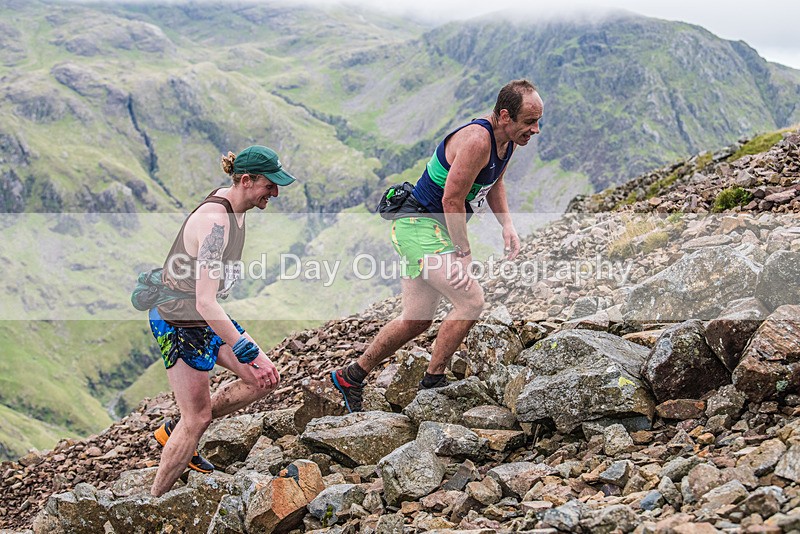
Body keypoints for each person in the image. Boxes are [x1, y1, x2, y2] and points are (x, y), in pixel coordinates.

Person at [331, 79, 543, 412]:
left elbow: (495, 181)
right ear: (505, 116)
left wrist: (507, 225)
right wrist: (463, 255)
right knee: (471, 300)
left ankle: (352, 375)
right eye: (529, 122)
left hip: (431, 229)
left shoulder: (508, 142)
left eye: (538, 121)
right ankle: (432, 382)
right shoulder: (477, 140)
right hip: (419, 226)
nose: (536, 129)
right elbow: (452, 199)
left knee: (416, 319)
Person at [148, 145, 294, 496]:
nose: (274, 192)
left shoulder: (233, 202)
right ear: (246, 180)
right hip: (180, 320)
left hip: (203, 317)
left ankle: (176, 430)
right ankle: (151, 502)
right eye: (269, 185)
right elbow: (204, 301)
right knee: (197, 418)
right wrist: (245, 348)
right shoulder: (216, 221)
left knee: (264, 379)